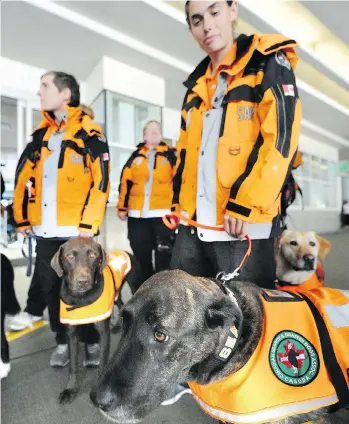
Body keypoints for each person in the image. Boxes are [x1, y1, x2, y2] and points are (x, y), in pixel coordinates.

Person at [170, 0, 301, 288]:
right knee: (184, 322)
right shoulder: (195, 86)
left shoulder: (266, 63)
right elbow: (184, 154)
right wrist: (177, 204)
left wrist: (245, 203)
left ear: (233, 10)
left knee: (246, 325)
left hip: (242, 228)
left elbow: (281, 139)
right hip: (191, 229)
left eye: (214, 12)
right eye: (196, 20)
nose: (206, 24)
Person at [11, 71, 110, 368]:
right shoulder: (40, 137)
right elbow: (21, 180)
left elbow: (101, 180)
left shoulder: (88, 131)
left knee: (86, 287)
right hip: (44, 231)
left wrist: (89, 225)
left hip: (75, 231)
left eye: (45, 86)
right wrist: (22, 219)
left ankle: (92, 342)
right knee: (54, 289)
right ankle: (62, 342)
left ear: (66, 94)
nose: (39, 92)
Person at [117, 120, 176, 280]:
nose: (154, 132)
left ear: (161, 134)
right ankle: (145, 286)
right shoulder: (135, 157)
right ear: (144, 136)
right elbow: (125, 183)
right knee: (141, 253)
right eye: (150, 130)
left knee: (164, 254)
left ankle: (162, 287)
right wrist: (122, 208)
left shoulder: (171, 155)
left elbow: (178, 182)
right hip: (138, 215)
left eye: (157, 130)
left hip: (162, 214)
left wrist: (177, 209)